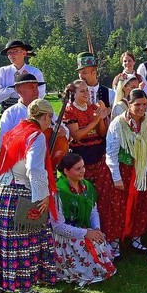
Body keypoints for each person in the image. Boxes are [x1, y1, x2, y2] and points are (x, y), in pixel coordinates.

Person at [0, 98, 58, 293]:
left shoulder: (14, 131)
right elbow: (34, 168)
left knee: (0, 244)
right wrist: (42, 196)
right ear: (45, 116)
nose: (50, 123)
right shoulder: (36, 136)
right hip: (17, 194)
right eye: (50, 119)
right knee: (24, 244)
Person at [105, 89, 147, 254]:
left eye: (145, 104)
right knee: (116, 207)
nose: (142, 108)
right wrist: (116, 178)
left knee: (141, 204)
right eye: (137, 105)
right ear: (128, 104)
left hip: (141, 169)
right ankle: (115, 243)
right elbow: (111, 152)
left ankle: (136, 238)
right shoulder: (118, 123)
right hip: (122, 169)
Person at [51, 153, 116, 286]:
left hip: (84, 230)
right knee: (92, 267)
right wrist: (85, 233)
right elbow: (58, 226)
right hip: (65, 235)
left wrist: (96, 229)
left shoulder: (87, 187)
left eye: (83, 167)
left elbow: (93, 211)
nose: (82, 171)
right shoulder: (58, 192)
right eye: (78, 168)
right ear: (66, 171)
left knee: (105, 251)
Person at [63, 79, 113, 238]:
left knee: (101, 192)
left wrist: (102, 118)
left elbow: (102, 133)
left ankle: (101, 227)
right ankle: (84, 228)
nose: (86, 93)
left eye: (87, 90)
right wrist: (95, 120)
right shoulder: (69, 110)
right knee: (84, 192)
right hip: (82, 155)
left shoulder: (92, 107)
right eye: (82, 91)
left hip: (98, 153)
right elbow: (77, 136)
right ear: (74, 94)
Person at [0, 39, 45, 112]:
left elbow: (40, 96)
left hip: (29, 110)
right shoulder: (2, 72)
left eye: (15, 51)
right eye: (9, 52)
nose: (12, 55)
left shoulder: (35, 72)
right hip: (7, 112)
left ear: (24, 53)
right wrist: (17, 87)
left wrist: (7, 92)